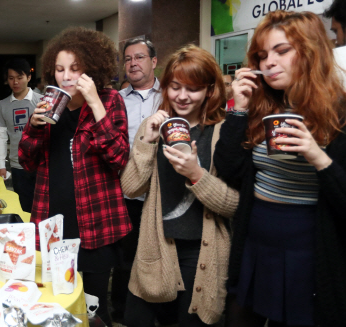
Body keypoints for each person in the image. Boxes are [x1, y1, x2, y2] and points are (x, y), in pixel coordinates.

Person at [213, 10, 346, 326]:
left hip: (308, 251)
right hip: (255, 243)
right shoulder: (265, 105)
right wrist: (239, 108)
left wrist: (318, 157)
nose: (268, 62)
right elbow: (228, 169)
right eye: (261, 56)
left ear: (311, 51)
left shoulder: (340, 115)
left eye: (282, 50)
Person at [18, 27, 131, 327]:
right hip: (53, 223)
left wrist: (95, 104)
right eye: (59, 69)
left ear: (91, 70)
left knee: (93, 309)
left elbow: (118, 158)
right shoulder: (48, 104)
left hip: (96, 223)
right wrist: (33, 126)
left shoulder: (110, 100)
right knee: (56, 304)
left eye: (75, 69)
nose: (66, 76)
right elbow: (26, 161)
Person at [120, 45, 237, 327]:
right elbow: (130, 188)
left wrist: (196, 173)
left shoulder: (223, 132)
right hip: (156, 247)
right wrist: (146, 142)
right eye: (175, 87)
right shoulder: (154, 126)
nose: (182, 96)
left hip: (203, 255)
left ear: (209, 90)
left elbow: (234, 204)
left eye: (193, 89)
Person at [112, 37, 162, 324]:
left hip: (160, 191)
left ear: (153, 62)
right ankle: (121, 310)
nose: (133, 63)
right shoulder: (116, 100)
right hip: (126, 191)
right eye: (129, 58)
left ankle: (160, 309)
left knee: (158, 253)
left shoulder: (168, 96)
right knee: (125, 258)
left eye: (140, 57)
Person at [0, 58, 40, 212]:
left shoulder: (41, 102)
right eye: (11, 78)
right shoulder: (3, 104)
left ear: (28, 77)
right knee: (24, 207)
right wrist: (1, 165)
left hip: (41, 162)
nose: (15, 82)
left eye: (19, 78)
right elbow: (0, 136)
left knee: (43, 206)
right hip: (17, 164)